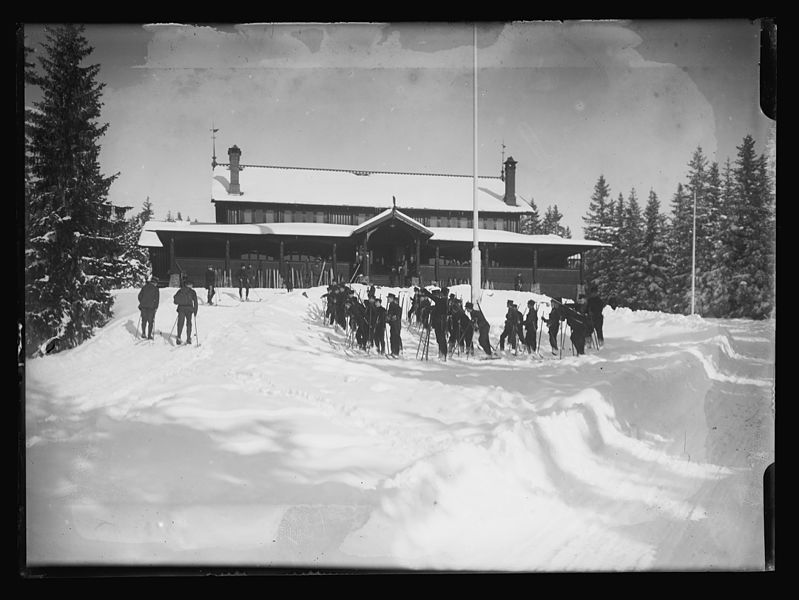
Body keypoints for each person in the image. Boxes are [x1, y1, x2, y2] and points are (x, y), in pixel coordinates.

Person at [420, 287, 449, 360]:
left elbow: (433, 298)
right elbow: (437, 308)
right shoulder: (444, 301)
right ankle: (441, 353)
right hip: (440, 322)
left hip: (440, 322)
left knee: (441, 338)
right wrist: (430, 308)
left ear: (442, 294)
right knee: (440, 338)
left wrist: (426, 292)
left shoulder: (442, 300)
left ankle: (443, 354)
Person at [173, 278, 198, 345]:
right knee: (189, 323)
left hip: (181, 308)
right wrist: (195, 311)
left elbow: (175, 299)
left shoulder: (180, 290)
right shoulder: (192, 292)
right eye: (191, 285)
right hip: (189, 310)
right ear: (189, 285)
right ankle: (188, 338)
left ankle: (179, 337)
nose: (192, 286)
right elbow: (195, 302)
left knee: (180, 323)